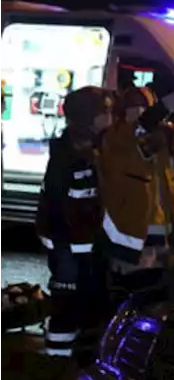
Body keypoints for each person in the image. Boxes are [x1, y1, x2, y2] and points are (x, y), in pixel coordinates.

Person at [34, 86, 112, 357]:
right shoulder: (67, 156)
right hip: (68, 246)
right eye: (106, 110)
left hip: (84, 246)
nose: (110, 116)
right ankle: (56, 361)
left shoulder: (92, 148)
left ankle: (74, 360)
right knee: (66, 307)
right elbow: (56, 207)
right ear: (91, 116)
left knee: (85, 306)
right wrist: (64, 250)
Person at [98, 80, 174, 276]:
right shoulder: (116, 137)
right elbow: (146, 123)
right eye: (131, 105)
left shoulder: (163, 136)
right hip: (129, 240)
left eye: (143, 104)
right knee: (129, 293)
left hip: (162, 236)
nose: (138, 109)